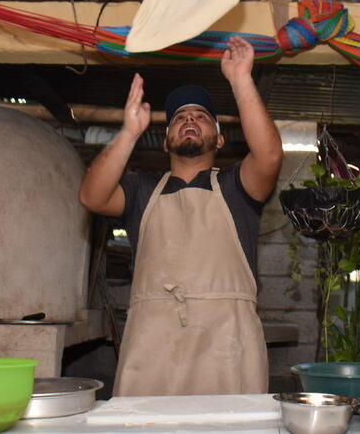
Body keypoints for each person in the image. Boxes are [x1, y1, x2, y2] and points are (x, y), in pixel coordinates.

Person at [78, 35, 283, 396]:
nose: (189, 120)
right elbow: (92, 196)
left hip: (227, 345)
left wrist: (240, 79)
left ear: (219, 140)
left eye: (201, 117)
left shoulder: (238, 188)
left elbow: (267, 157)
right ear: (166, 140)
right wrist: (128, 133)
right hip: (152, 344)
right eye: (179, 118)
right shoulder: (141, 190)